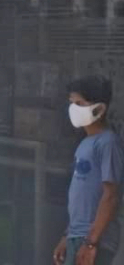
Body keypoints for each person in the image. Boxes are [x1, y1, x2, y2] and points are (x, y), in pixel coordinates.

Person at [54, 75, 124, 265]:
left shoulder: (108, 143)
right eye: (71, 103)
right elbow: (81, 198)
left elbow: (110, 196)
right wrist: (67, 236)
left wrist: (91, 243)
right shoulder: (85, 143)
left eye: (79, 103)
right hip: (77, 236)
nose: (73, 109)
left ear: (99, 109)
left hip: (95, 239)